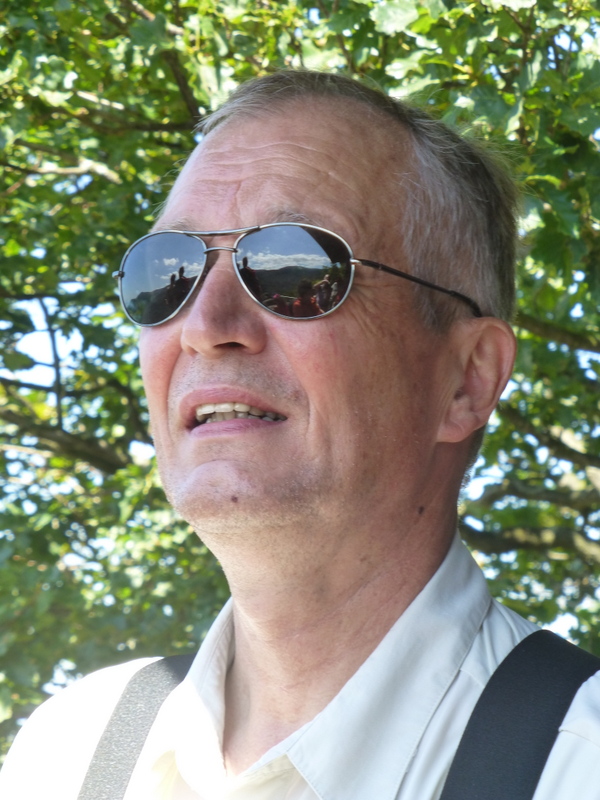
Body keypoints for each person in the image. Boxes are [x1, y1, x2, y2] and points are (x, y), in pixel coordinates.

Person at [2, 70, 599, 799]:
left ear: (468, 379)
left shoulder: (579, 766)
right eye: (168, 271)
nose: (204, 326)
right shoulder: (66, 755)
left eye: (294, 266)